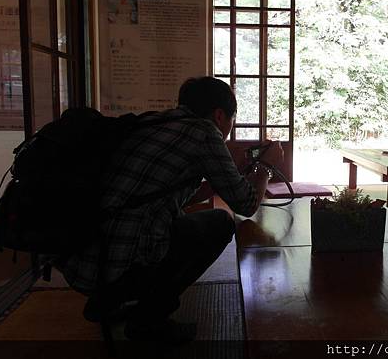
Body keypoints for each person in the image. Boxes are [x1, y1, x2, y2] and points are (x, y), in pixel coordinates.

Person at [58, 76, 283, 344]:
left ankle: (106, 303)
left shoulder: (155, 121)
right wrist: (266, 167)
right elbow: (246, 205)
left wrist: (217, 178)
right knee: (221, 223)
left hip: (82, 259)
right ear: (220, 115)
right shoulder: (204, 132)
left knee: (181, 222)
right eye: (232, 120)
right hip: (119, 267)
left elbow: (156, 196)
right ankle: (148, 320)